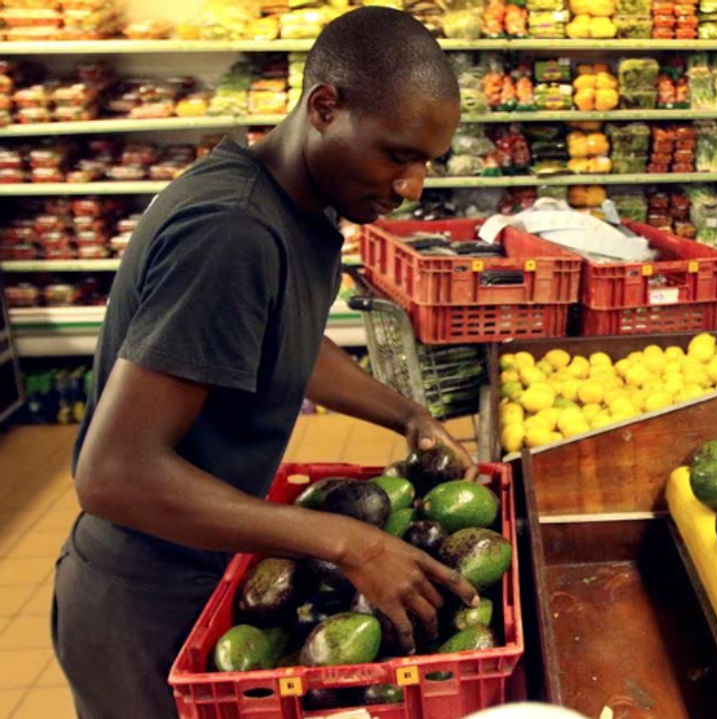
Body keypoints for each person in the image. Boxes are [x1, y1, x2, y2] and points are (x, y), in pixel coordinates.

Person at [52, 9, 480, 718]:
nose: (413, 186)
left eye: (427, 162)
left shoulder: (297, 210)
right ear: (324, 107)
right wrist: (348, 541)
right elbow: (111, 474)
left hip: (204, 559)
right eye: (398, 154)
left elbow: (279, 340)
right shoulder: (232, 231)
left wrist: (405, 412)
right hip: (145, 598)